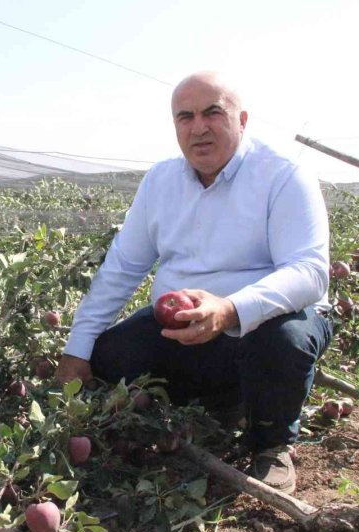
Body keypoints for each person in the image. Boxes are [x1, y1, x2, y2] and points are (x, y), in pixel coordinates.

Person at [56, 71, 332, 494]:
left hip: (263, 321)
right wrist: (77, 350)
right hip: (183, 323)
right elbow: (122, 267)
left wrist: (230, 309)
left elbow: (309, 271)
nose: (198, 127)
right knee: (108, 358)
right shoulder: (161, 181)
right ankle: (223, 402)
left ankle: (270, 442)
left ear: (242, 120)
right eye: (185, 117)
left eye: (212, 113)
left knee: (285, 342)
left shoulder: (283, 175)